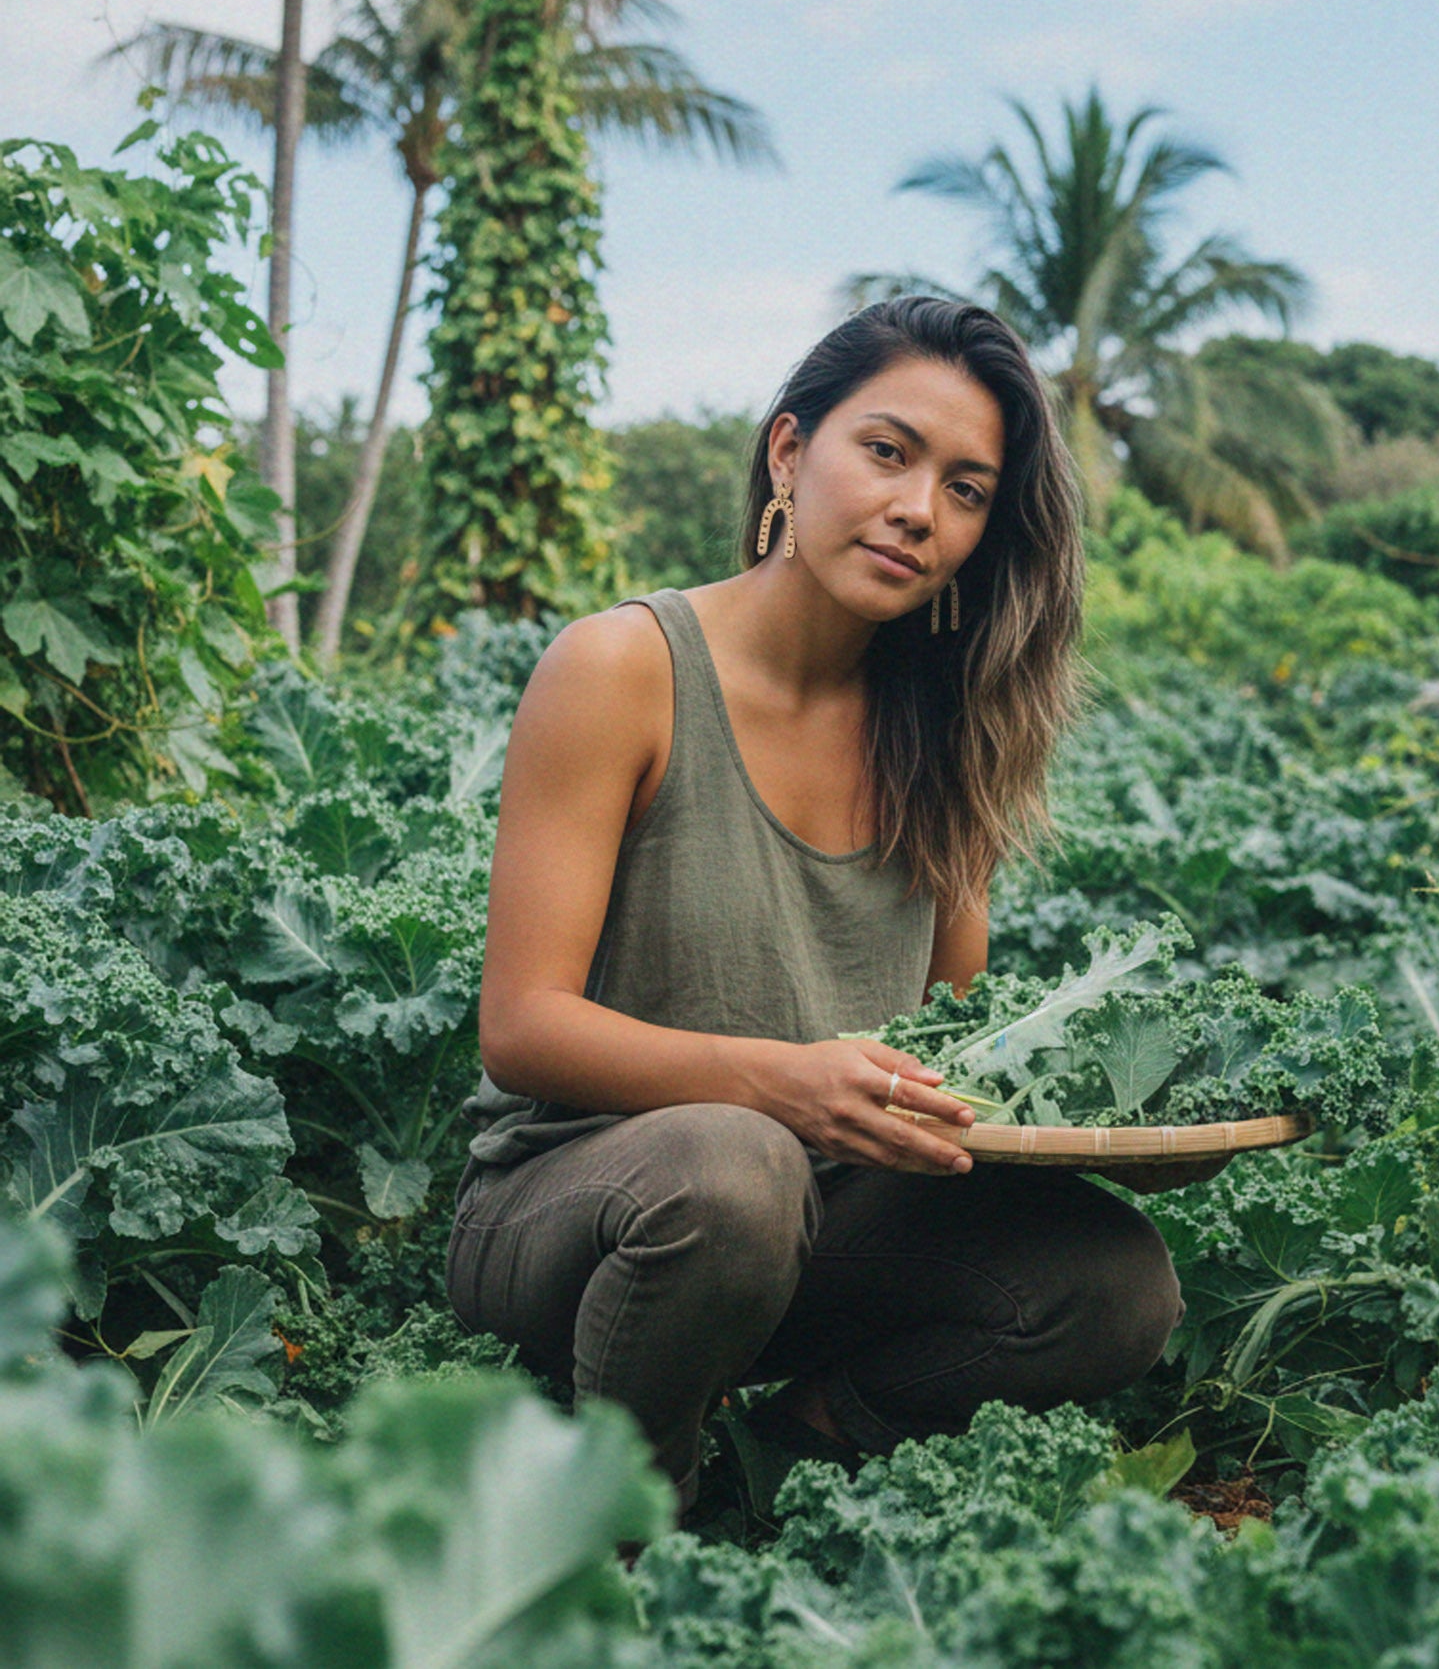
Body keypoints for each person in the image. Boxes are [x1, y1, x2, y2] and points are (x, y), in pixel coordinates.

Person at [443, 296, 1219, 1525]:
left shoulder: (943, 728)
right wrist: (780, 1081)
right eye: (889, 451)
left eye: (967, 490)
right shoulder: (622, 669)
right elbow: (523, 1029)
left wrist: (1112, 1128)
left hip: (813, 1215)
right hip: (577, 1206)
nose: (921, 508)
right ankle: (623, 1525)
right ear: (791, 452)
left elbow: (955, 1043)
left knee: (1111, 1279)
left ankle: (790, 1463)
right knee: (731, 1169)